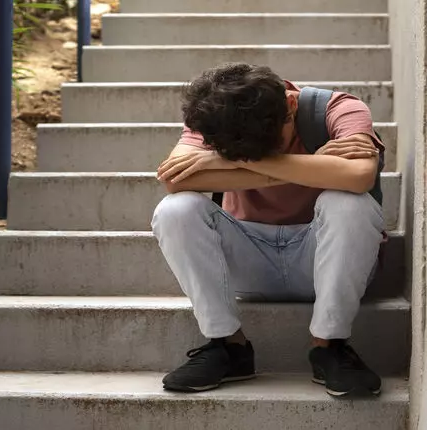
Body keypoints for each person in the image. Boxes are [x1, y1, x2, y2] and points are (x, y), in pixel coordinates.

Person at [151, 62, 386, 397]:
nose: (256, 157)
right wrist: (316, 165)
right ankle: (228, 347)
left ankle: (329, 347)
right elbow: (175, 180)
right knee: (176, 209)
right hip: (250, 260)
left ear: (291, 105)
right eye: (243, 155)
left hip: (322, 256)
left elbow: (359, 175)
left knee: (350, 202)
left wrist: (234, 161)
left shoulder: (339, 108)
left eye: (270, 148)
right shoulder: (216, 114)